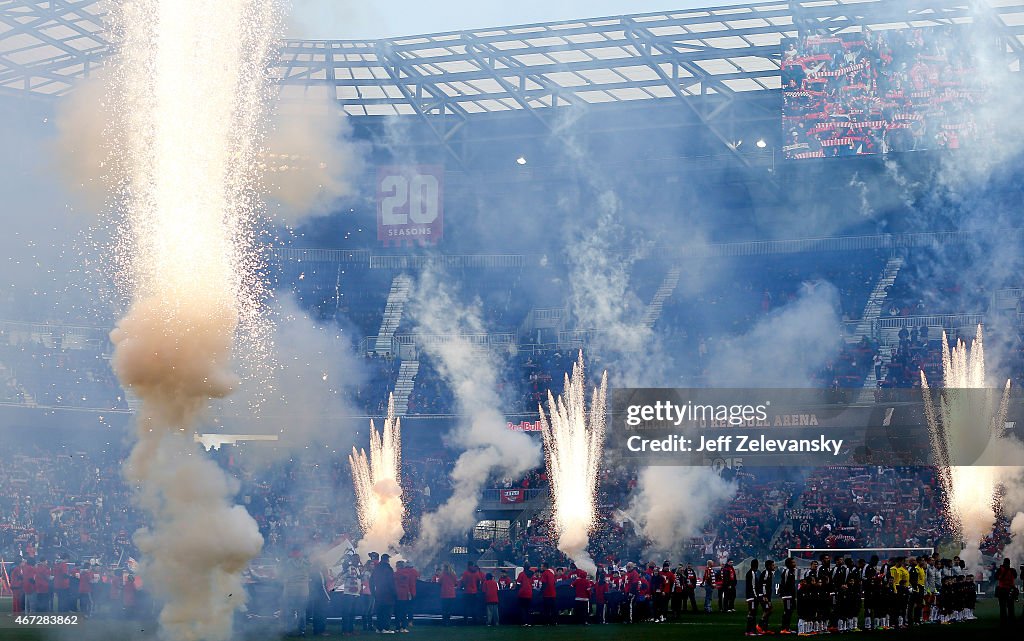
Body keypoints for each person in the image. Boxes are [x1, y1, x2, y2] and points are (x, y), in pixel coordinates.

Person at [281, 548, 311, 636]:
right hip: (301, 591)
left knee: (293, 611)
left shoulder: (287, 563)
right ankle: (301, 631)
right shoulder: (307, 563)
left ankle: (291, 630)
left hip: (293, 591)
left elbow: (282, 574)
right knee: (299, 612)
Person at [370, 553, 397, 633]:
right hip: (388, 594)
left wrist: (373, 592)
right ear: (387, 559)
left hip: (378, 593)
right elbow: (391, 582)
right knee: (387, 612)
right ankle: (385, 628)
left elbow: (371, 581)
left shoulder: (376, 568)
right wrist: (394, 592)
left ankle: (379, 628)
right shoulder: (388, 569)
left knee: (380, 612)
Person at [337, 565, 362, 635]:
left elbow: (359, 580)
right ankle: (345, 631)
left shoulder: (357, 569)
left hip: (355, 594)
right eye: (356, 558)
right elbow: (342, 578)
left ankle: (351, 629)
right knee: (347, 613)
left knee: (352, 613)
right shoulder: (348, 568)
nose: (358, 560)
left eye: (358, 558)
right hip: (348, 594)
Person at [309, 561, 332, 636]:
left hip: (315, 596)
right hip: (321, 597)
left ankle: (316, 630)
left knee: (316, 614)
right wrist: (328, 597)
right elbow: (322, 587)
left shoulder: (313, 573)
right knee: (321, 614)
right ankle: (321, 630)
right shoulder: (319, 573)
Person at [995, 557, 1017, 626]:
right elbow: (1015, 576)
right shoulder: (1012, 570)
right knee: (1011, 606)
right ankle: (1011, 619)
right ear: (1009, 563)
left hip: (1002, 590)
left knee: (1002, 606)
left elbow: (995, 577)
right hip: (1010, 589)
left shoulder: (1000, 570)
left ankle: (1003, 620)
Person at [757, 560, 776, 636]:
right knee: (768, 610)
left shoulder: (770, 573)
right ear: (769, 566)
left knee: (769, 610)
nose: (774, 566)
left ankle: (765, 629)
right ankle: (760, 625)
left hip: (767, 595)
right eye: (773, 565)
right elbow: (763, 585)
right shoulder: (766, 573)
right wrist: (764, 596)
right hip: (763, 596)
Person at [778, 557, 797, 634]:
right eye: (793, 562)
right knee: (787, 611)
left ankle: (787, 628)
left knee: (790, 611)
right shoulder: (787, 572)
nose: (795, 564)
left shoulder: (792, 572)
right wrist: (784, 594)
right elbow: (784, 584)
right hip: (787, 595)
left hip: (790, 595)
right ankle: (784, 628)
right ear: (789, 564)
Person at [745, 559, 760, 636]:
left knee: (752, 613)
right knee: (752, 613)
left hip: (750, 596)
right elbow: (753, 586)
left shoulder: (750, 573)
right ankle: (750, 631)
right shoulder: (752, 573)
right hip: (752, 597)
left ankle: (751, 631)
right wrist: (755, 596)